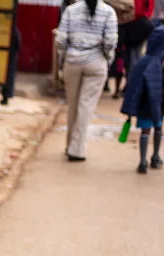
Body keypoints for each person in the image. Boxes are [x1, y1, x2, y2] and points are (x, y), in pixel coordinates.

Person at [56, 0, 119, 161]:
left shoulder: (71, 10)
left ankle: (69, 144)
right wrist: (105, 58)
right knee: (86, 106)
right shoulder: (108, 12)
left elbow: (60, 39)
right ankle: (76, 150)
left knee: (73, 105)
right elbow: (111, 41)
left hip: (72, 62)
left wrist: (64, 59)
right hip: (96, 63)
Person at [121, 26, 164, 173]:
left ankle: (142, 162)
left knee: (145, 131)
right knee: (158, 128)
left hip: (143, 106)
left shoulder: (141, 63)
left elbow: (132, 87)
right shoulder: (163, 63)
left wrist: (130, 109)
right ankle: (155, 157)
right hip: (158, 106)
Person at [2, 25, 23, 105]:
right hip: (10, 55)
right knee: (8, 75)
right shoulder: (13, 29)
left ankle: (5, 96)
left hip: (7, 55)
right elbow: (18, 45)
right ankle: (6, 97)